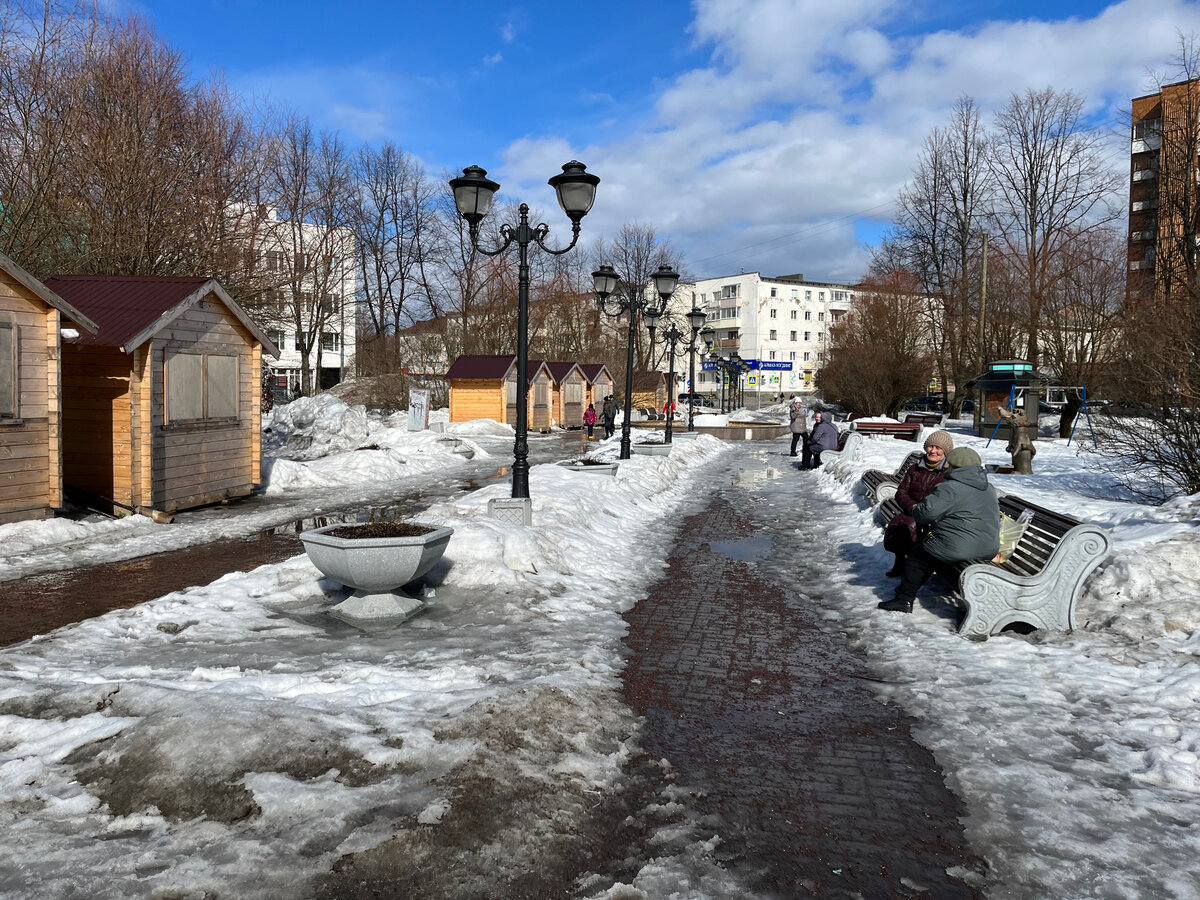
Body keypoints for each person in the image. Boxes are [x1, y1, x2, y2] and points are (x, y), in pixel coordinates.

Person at [878, 446, 1000, 614]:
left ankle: (903, 599)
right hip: (989, 548)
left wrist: (915, 508)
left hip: (960, 547)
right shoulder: (989, 488)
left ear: (954, 467)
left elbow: (924, 516)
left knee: (919, 553)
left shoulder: (949, 488)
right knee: (934, 546)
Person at [883, 430, 953, 577]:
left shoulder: (949, 473)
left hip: (935, 516)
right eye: (930, 446)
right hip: (913, 511)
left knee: (919, 532)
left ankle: (917, 569)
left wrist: (927, 511)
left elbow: (947, 500)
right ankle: (900, 561)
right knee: (900, 527)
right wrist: (913, 507)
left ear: (945, 451)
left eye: (938, 448)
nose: (933, 451)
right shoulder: (915, 468)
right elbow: (901, 493)